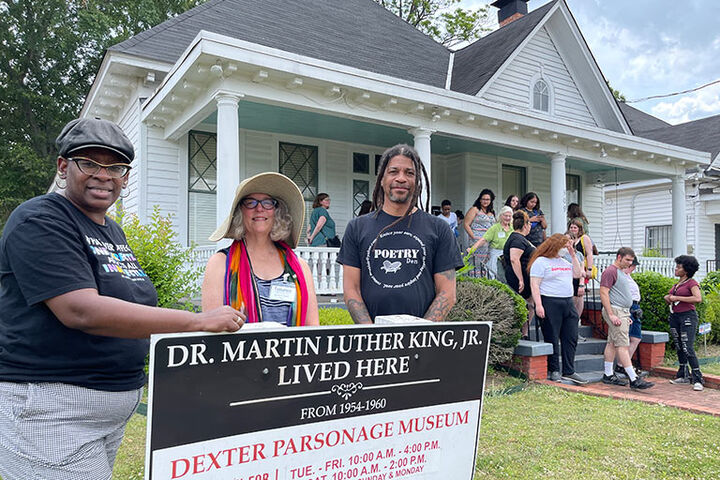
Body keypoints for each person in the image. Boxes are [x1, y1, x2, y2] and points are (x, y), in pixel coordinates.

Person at [0, 118, 243, 480]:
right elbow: (80, 310)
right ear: (64, 167)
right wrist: (196, 321)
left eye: (114, 167)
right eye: (90, 163)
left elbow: (135, 305)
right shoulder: (40, 219)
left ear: (125, 177)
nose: (104, 175)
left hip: (109, 408)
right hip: (51, 408)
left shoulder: (110, 230)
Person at [337, 144, 463, 323]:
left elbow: (447, 293)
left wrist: (419, 335)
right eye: (394, 171)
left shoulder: (438, 228)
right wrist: (373, 335)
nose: (401, 178)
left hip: (422, 342)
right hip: (372, 341)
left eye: (409, 173)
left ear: (417, 180)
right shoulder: (357, 228)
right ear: (382, 179)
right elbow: (352, 290)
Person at [202, 172, 319, 326]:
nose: (259, 208)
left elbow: (312, 329)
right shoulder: (220, 264)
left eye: (268, 203)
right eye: (250, 202)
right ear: (240, 212)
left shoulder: (299, 267)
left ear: (277, 211)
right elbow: (210, 330)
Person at [529, 234, 587, 385]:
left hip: (567, 302)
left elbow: (577, 274)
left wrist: (573, 255)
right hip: (549, 301)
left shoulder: (564, 261)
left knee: (571, 337)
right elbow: (535, 285)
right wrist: (539, 304)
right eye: (563, 246)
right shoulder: (541, 262)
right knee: (552, 336)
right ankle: (554, 369)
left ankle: (569, 370)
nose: (565, 249)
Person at [599, 247, 654, 389]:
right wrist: (611, 314)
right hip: (616, 311)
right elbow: (604, 293)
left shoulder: (620, 273)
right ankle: (634, 379)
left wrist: (626, 315)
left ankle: (608, 374)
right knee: (623, 345)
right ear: (619, 257)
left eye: (631, 260)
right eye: (627, 260)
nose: (630, 263)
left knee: (611, 343)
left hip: (622, 312)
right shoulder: (610, 271)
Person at [665, 255, 704, 391]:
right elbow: (674, 298)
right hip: (675, 316)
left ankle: (698, 378)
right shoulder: (678, 284)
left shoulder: (691, 283)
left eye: (679, 267)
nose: (676, 269)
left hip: (688, 317)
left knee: (688, 346)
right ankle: (683, 375)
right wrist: (668, 298)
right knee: (679, 346)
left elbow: (697, 298)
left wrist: (677, 297)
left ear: (686, 270)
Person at [503, 210, 536, 337]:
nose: (530, 228)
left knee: (530, 303)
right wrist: (521, 279)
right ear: (525, 225)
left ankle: (524, 331)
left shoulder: (520, 238)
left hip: (525, 276)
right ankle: (522, 331)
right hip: (519, 276)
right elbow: (514, 259)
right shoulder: (518, 239)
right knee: (525, 303)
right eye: (529, 225)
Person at [615, 257, 647, 379]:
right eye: (632, 266)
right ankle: (622, 364)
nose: (633, 268)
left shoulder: (628, 277)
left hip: (635, 306)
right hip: (629, 306)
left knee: (635, 337)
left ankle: (623, 364)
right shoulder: (622, 277)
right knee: (629, 337)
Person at [467, 206, 513, 279]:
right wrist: (472, 248)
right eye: (505, 215)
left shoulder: (513, 228)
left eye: (509, 216)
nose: (507, 218)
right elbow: (484, 240)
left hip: (509, 256)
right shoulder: (494, 228)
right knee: (495, 276)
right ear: (501, 216)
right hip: (496, 255)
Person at [464, 189, 496, 276]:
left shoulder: (491, 212)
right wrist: (474, 237)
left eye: (487, 199)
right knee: (475, 263)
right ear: (480, 199)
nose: (485, 201)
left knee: (485, 264)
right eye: (483, 199)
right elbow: (466, 224)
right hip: (476, 242)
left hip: (488, 243)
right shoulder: (475, 209)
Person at [567, 219, 595, 318]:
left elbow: (589, 254)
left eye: (575, 227)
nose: (573, 229)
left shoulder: (584, 238)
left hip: (581, 266)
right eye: (571, 227)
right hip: (570, 269)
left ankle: (577, 317)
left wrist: (589, 269)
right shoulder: (568, 238)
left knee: (580, 293)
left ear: (579, 229)